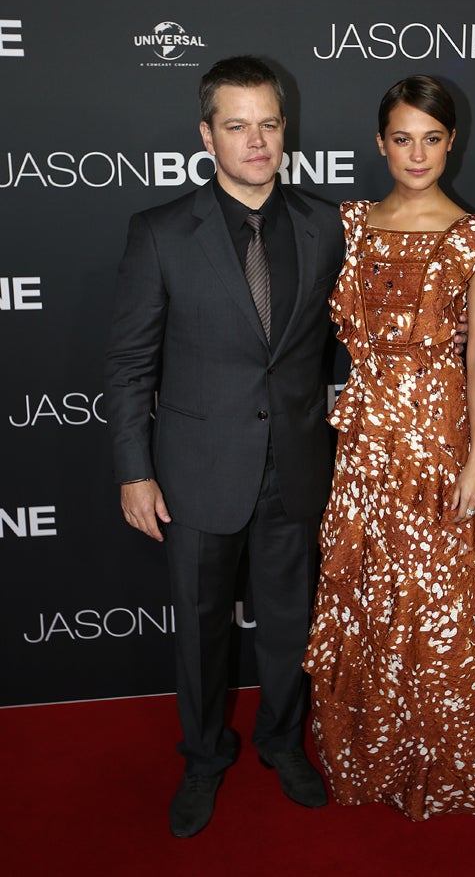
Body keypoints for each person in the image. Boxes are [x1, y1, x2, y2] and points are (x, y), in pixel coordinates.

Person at [104, 55, 346, 838]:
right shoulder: (161, 231)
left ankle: (282, 739)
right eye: (237, 125)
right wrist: (134, 471)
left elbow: (342, 351)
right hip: (197, 472)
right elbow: (132, 362)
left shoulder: (324, 223)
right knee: (201, 631)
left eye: (268, 123)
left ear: (286, 129)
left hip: (297, 468)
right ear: (207, 133)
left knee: (290, 624)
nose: (256, 140)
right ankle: (204, 756)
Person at [304, 75, 475, 821]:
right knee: (367, 597)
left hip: (436, 442)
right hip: (364, 443)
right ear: (380, 143)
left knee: (431, 606)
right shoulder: (353, 224)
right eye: (402, 138)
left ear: (451, 141)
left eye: (432, 137)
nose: (417, 153)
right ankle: (370, 755)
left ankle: (440, 767)